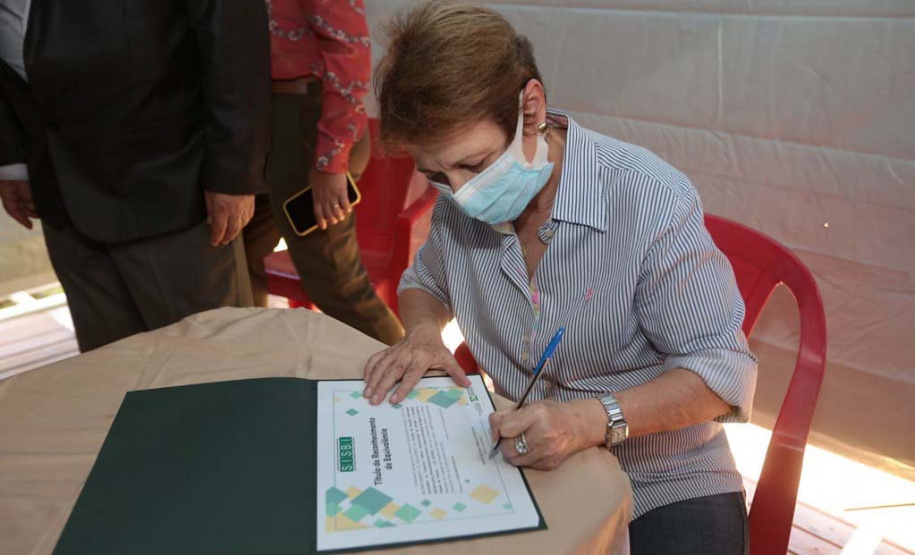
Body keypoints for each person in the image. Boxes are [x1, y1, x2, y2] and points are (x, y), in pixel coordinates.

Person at [361, 3, 757, 553]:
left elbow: (722, 372)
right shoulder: (457, 203)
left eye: (475, 165)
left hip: (663, 478)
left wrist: (592, 420)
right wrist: (425, 334)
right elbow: (425, 282)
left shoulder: (648, 199)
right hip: (523, 462)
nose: (462, 194)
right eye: (436, 174)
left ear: (531, 109)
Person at [0, 0, 270, 351]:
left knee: (212, 358)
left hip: (170, 183)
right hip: (58, 191)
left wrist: (234, 172)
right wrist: (13, 162)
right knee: (111, 364)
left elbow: (234, 42)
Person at [242, 0, 405, 346]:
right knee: (240, 256)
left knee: (337, 283)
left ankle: (418, 370)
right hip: (268, 118)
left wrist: (331, 158)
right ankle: (249, 360)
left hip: (308, 122)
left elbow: (349, 48)